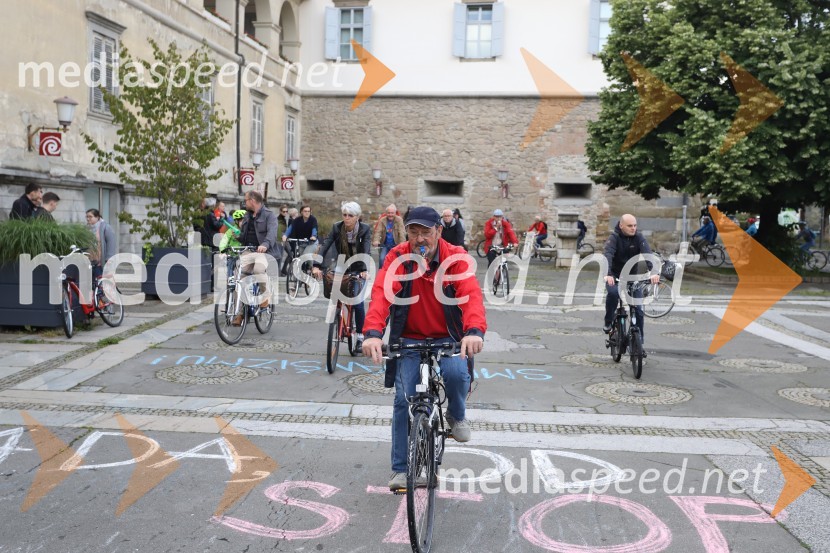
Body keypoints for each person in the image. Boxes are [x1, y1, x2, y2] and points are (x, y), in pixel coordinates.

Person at [361, 206, 486, 491]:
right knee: (404, 400)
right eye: (413, 232)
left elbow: (470, 295)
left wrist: (474, 330)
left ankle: (456, 414)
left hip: (449, 337)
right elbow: (381, 294)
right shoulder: (397, 257)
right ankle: (401, 470)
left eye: (426, 232)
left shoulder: (455, 257)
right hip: (409, 339)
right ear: (407, 233)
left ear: (438, 231)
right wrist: (372, 333)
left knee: (456, 374)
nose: (420, 238)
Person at [312, 202, 372, 349]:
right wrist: (316, 265)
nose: (346, 218)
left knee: (357, 303)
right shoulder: (337, 227)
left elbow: (366, 250)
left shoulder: (364, 229)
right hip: (342, 264)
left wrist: (365, 270)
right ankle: (337, 317)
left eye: (350, 216)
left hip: (359, 266)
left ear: (357, 217)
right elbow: (326, 245)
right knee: (335, 292)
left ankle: (360, 336)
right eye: (344, 215)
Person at [602, 214, 660, 346]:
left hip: (633, 278)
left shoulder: (639, 237)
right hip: (615, 276)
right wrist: (608, 273)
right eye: (630, 226)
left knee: (639, 310)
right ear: (621, 225)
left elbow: (648, 254)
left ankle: (639, 343)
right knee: (613, 294)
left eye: (635, 225)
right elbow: (608, 255)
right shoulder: (614, 238)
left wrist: (654, 272)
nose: (633, 228)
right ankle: (608, 321)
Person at [235, 191, 280, 322]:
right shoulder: (248, 216)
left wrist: (265, 244)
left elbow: (272, 233)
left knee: (258, 270)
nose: (245, 203)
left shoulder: (269, 215)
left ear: (253, 200)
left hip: (262, 251)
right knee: (238, 276)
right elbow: (244, 235)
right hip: (248, 250)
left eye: (246, 200)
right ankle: (240, 311)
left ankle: (265, 297)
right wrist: (237, 237)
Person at [85, 209, 117, 281]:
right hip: (89, 261)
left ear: (97, 217)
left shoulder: (105, 227)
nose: (88, 219)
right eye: (86, 217)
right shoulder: (86, 228)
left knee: (100, 282)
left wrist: (109, 259)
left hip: (100, 262)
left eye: (90, 216)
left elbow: (111, 242)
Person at [219, 209, 247, 275]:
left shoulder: (248, 230)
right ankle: (230, 280)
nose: (243, 223)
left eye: (245, 221)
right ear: (236, 221)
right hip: (233, 255)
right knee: (230, 271)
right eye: (241, 221)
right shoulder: (231, 230)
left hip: (245, 255)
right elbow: (224, 240)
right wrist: (222, 250)